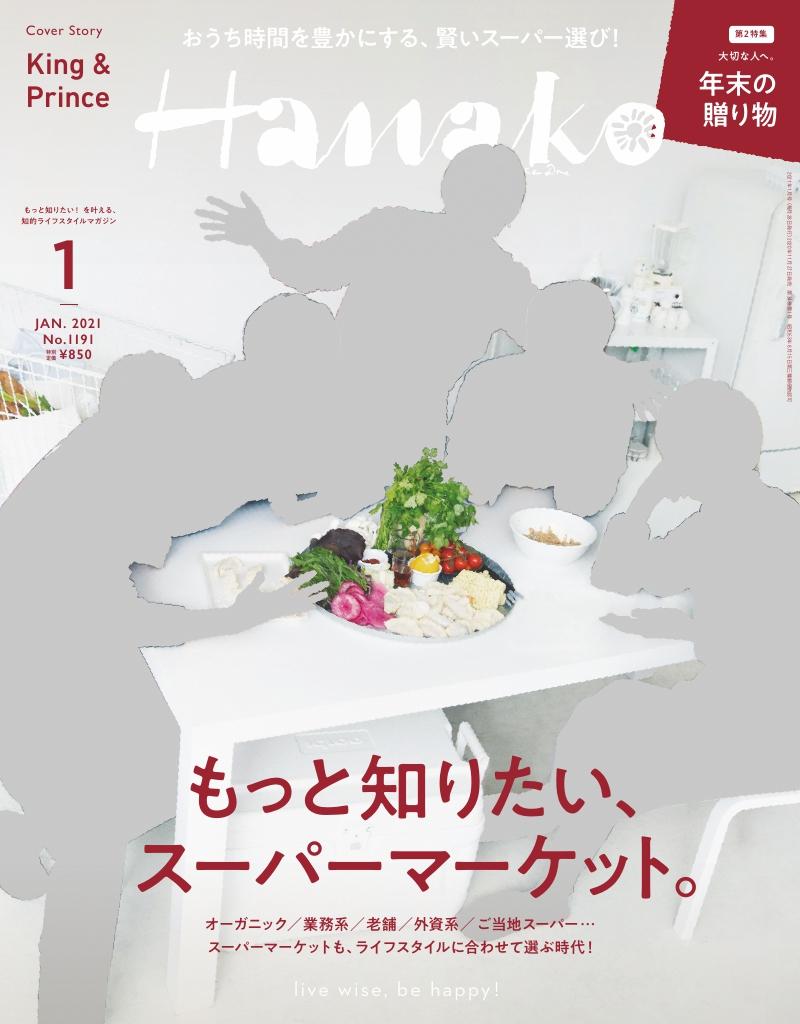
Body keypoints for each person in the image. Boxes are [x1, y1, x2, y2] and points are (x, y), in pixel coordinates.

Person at [0, 352, 326, 1024]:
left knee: (160, 769)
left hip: (47, 655)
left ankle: (24, 838)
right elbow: (127, 620)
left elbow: (189, 497)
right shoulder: (89, 495)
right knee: (98, 837)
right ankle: (66, 1009)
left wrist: (271, 490)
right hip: (31, 684)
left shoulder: (106, 450)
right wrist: (242, 616)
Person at [462, 380, 800, 928]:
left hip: (769, 740)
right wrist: (698, 628)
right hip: (770, 708)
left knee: (610, 724)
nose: (667, 464)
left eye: (672, 452)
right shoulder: (772, 510)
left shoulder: (719, 524)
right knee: (615, 713)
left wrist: (645, 502)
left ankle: (551, 889)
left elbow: (616, 576)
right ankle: (552, 810)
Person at [196, 144, 535, 514]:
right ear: (512, 212)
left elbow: (306, 270)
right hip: (375, 434)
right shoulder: (502, 276)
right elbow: (307, 271)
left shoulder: (397, 230)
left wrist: (260, 236)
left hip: (363, 430)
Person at [447, 280, 665, 514]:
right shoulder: (486, 382)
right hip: (489, 513)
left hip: (541, 515)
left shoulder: (611, 399)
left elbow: (586, 499)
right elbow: (469, 483)